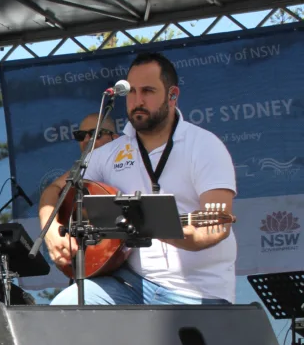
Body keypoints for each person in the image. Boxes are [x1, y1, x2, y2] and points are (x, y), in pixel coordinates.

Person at [39, 52, 236, 306]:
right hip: (129, 282)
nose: (137, 100)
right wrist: (52, 232)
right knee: (63, 309)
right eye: (131, 92)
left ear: (173, 95)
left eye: (148, 91)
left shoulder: (204, 145)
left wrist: (158, 228)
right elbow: (55, 190)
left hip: (198, 289)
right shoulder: (111, 152)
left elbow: (216, 227)